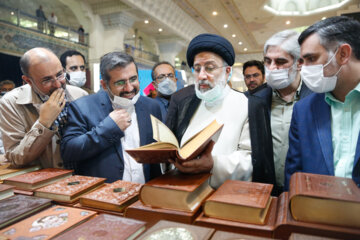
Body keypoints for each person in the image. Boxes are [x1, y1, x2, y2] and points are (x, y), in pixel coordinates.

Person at [167, 33, 257, 189]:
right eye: (197, 68)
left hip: (224, 198)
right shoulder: (189, 104)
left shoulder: (245, 104)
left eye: (209, 68)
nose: (202, 75)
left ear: (228, 72)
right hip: (185, 191)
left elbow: (250, 160)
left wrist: (213, 165)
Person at [61, 52, 162, 183]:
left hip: (144, 193)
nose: (129, 88)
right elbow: (69, 152)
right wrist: (109, 128)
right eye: (120, 82)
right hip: (104, 197)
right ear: (104, 85)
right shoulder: (82, 107)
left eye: (133, 79)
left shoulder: (152, 106)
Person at [285, 16, 360, 189]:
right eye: (302, 61)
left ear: (343, 54)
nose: (304, 69)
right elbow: (294, 175)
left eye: (311, 59)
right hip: (313, 213)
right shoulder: (303, 110)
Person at [248, 30, 312, 194]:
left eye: (280, 61)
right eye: (267, 61)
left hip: (306, 189)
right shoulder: (255, 100)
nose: (272, 68)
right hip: (266, 189)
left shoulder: (317, 98)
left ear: (300, 63)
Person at [0, 48, 87, 168]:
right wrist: (44, 123)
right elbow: (16, 158)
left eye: (59, 75)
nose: (57, 84)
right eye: (47, 80)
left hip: (83, 177)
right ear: (28, 81)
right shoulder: (11, 103)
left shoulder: (80, 95)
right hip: (43, 182)